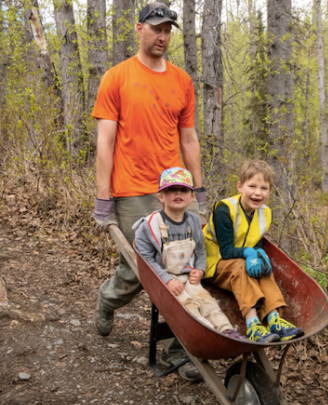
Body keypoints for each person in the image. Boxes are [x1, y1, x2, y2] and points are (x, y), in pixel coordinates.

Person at [91, 2, 206, 381]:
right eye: (156, 28)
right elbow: (105, 142)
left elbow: (188, 139)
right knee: (144, 269)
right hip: (131, 190)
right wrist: (103, 197)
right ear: (139, 29)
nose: (162, 36)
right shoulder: (117, 77)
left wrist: (199, 189)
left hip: (173, 187)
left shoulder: (182, 82)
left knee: (179, 265)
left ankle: (177, 349)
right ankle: (108, 298)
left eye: (168, 29)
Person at [134, 168, 245, 343]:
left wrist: (200, 270)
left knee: (206, 301)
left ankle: (226, 330)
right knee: (187, 306)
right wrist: (167, 281)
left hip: (188, 273)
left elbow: (200, 249)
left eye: (184, 190)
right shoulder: (150, 226)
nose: (178, 193)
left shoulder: (193, 221)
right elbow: (146, 260)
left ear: (191, 196)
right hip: (164, 278)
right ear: (161, 196)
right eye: (171, 189)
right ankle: (204, 335)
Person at [203, 160, 304, 343]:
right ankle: (253, 325)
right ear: (240, 186)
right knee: (243, 266)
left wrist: (259, 253)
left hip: (237, 260)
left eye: (264, 188)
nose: (258, 193)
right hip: (213, 264)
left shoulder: (265, 213)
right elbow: (226, 251)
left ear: (270, 191)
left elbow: (252, 240)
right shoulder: (225, 209)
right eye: (252, 186)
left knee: (264, 266)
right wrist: (250, 253)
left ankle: (274, 320)